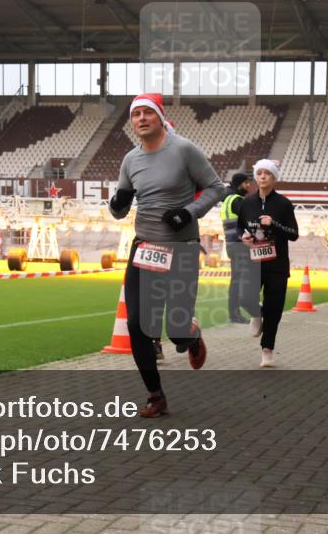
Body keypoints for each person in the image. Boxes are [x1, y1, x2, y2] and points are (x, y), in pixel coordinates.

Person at [108, 93, 226, 417]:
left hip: (181, 248)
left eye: (148, 113)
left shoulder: (184, 150)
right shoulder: (130, 160)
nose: (141, 119)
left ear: (160, 117)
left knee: (175, 329)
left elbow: (217, 188)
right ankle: (155, 395)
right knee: (137, 324)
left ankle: (191, 334)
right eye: (136, 115)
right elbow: (120, 208)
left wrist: (188, 212)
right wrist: (117, 204)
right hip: (145, 247)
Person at [238, 159, 298, 368]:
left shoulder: (283, 204)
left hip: (277, 264)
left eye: (268, 173)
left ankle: (267, 349)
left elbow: (294, 234)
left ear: (274, 178)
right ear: (255, 176)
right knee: (245, 297)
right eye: (259, 173)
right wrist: (242, 237)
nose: (263, 176)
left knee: (275, 309)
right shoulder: (246, 203)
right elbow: (240, 228)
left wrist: (275, 224)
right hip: (253, 263)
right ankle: (256, 312)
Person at [220, 172, 262, 330]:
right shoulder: (237, 200)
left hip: (231, 245)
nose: (249, 185)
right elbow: (250, 221)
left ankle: (234, 313)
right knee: (241, 280)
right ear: (239, 184)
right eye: (246, 183)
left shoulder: (227, 200)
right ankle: (237, 313)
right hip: (240, 245)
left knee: (235, 280)